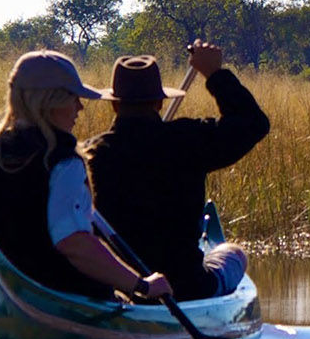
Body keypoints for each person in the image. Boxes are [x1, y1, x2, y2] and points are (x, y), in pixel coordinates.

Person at [0, 50, 172, 304]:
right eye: (74, 97)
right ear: (50, 100)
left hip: (0, 300)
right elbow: (74, 244)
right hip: (70, 297)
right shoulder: (64, 161)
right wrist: (141, 285)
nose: (80, 107)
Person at [85, 40, 269, 300]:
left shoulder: (90, 155)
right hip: (189, 287)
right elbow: (253, 123)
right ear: (160, 103)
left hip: (118, 289)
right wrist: (215, 74)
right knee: (234, 254)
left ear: (114, 104)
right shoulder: (187, 140)